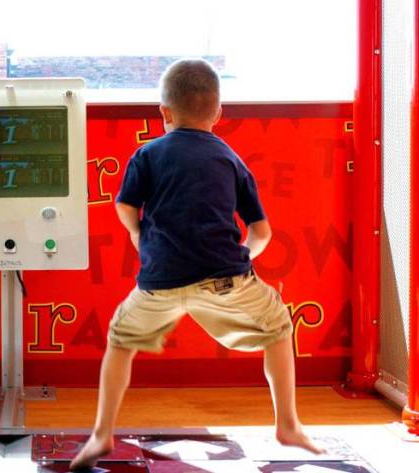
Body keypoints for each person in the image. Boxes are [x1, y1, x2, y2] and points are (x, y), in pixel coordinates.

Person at [70, 58, 324, 471]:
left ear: (165, 113)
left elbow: (124, 207)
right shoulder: (230, 159)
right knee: (278, 327)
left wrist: (139, 236)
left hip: (159, 280)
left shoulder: (147, 154)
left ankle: (101, 434)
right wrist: (241, 258)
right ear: (218, 113)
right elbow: (261, 232)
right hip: (225, 278)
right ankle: (288, 425)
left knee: (120, 340)